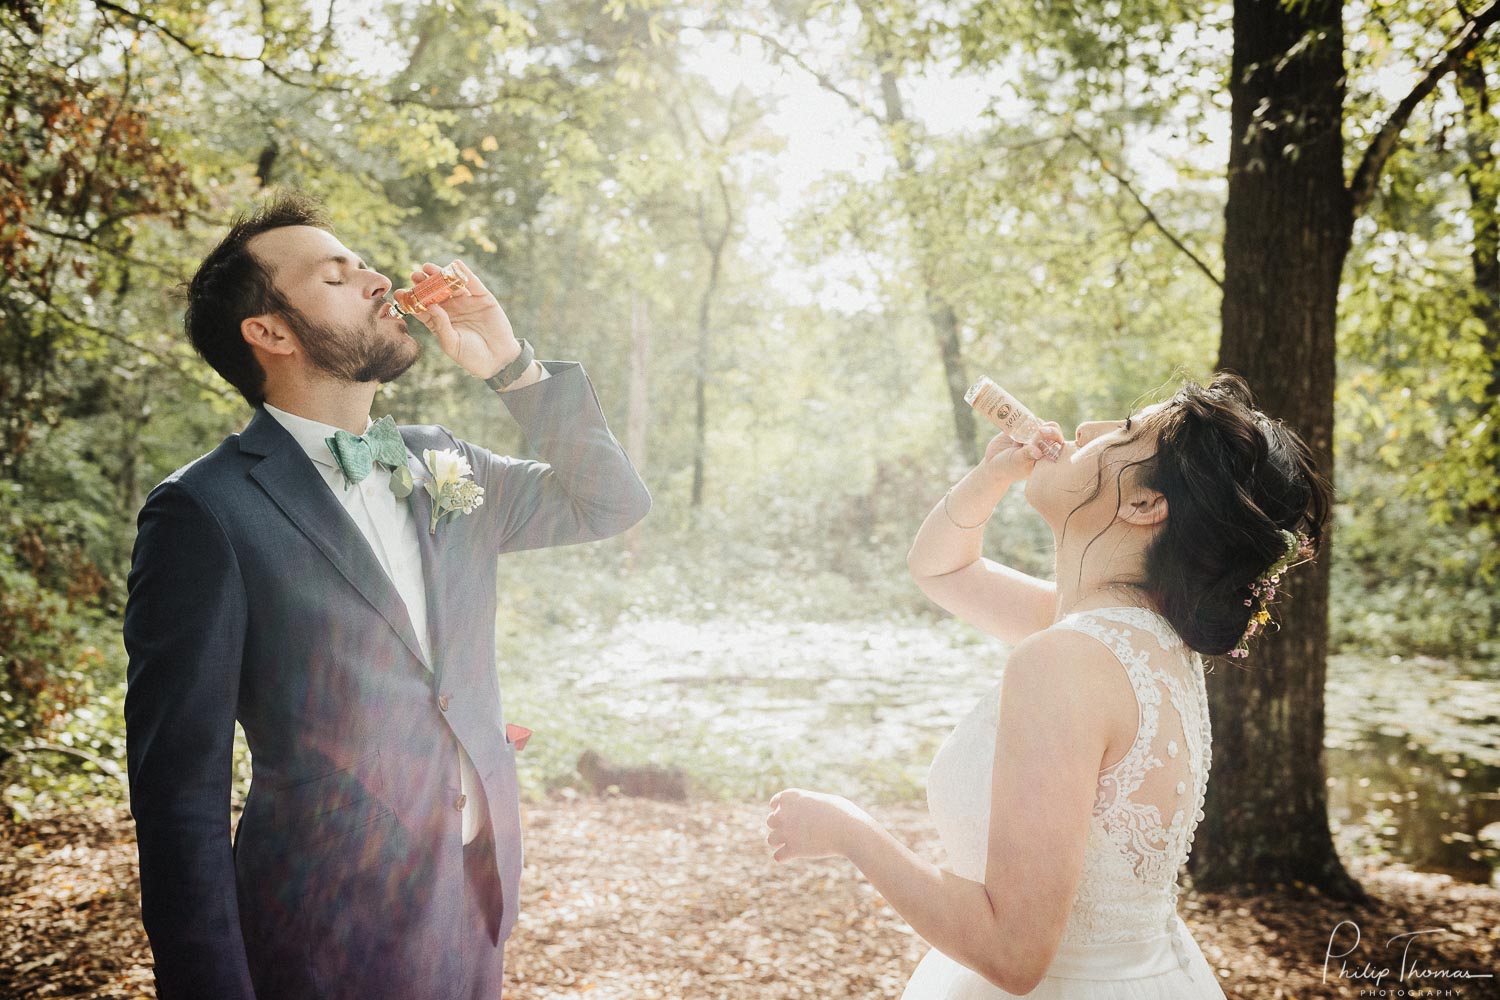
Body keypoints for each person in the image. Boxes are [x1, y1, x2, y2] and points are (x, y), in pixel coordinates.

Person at [123, 192, 650, 999]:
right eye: (336, 275)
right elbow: (178, 802)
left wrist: (512, 367)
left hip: (475, 906)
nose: (375, 278)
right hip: (317, 940)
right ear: (270, 333)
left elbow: (610, 501)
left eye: (363, 261)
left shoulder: (445, 462)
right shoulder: (205, 512)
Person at [765, 372, 1331, 999]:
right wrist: (991, 479)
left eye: (1121, 431)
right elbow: (942, 568)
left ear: (1144, 505)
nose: (1083, 430)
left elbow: (1014, 953)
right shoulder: (1140, 639)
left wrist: (849, 831)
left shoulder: (1068, 659)